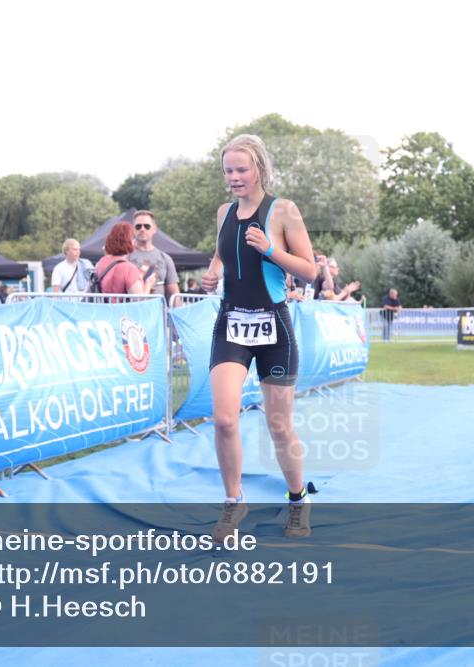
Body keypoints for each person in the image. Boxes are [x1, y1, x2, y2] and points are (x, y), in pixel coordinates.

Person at [200, 134, 317, 540]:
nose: (233, 177)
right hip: (231, 322)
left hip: (274, 327)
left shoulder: (283, 211)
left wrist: (270, 249)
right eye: (228, 171)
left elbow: (310, 271)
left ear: (259, 169)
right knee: (224, 419)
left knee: (279, 425)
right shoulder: (223, 213)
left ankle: (298, 500)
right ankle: (234, 503)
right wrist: (212, 272)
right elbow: (221, 253)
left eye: (241, 169)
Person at [129, 210, 181, 304]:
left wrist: (178, 316)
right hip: (130, 315)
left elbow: (174, 294)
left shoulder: (165, 258)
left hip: (158, 315)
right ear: (133, 229)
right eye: (138, 226)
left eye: (147, 226)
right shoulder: (125, 257)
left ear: (154, 229)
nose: (142, 229)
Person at [92, 222, 153, 298]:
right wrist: (148, 284)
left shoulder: (100, 263)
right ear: (128, 241)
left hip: (102, 309)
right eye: (133, 238)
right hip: (122, 309)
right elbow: (139, 302)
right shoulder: (129, 268)